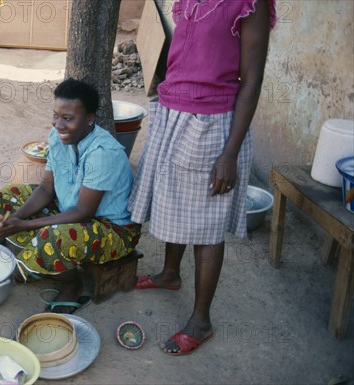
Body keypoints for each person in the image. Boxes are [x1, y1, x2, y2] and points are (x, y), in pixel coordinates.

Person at [128, 0, 276, 355]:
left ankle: (200, 320)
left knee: (206, 223)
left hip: (211, 124)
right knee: (172, 201)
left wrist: (230, 154)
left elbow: (251, 82)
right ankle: (170, 274)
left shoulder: (248, 5)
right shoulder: (188, 1)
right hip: (173, 112)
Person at [0, 78, 141, 313]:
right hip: (72, 210)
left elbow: (83, 212)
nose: (59, 124)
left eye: (68, 118)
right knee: (9, 196)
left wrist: (24, 224)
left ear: (89, 119)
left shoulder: (102, 153)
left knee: (56, 237)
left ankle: (72, 285)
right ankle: (41, 260)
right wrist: (13, 219)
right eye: (56, 115)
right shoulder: (57, 137)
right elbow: (46, 188)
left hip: (112, 229)